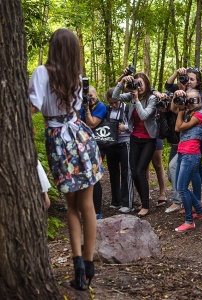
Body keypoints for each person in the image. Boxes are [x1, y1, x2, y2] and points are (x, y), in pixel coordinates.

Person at [29, 28, 103, 290]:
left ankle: (79, 267)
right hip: (82, 138)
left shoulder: (42, 72)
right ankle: (89, 265)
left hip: (60, 142)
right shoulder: (76, 77)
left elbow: (33, 105)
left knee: (73, 207)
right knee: (88, 206)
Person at [165, 67, 202, 210]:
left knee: (194, 169)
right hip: (186, 138)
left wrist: (184, 96)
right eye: (187, 78)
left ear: (198, 82)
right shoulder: (184, 93)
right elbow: (174, 108)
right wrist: (177, 94)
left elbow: (184, 116)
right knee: (197, 166)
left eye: (192, 79)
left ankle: (196, 201)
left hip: (198, 137)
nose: (189, 82)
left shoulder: (199, 96)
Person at [112, 72, 158, 217]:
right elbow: (114, 97)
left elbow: (144, 116)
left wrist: (136, 100)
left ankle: (145, 205)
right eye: (136, 84)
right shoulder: (131, 96)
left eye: (140, 83)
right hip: (135, 137)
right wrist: (121, 82)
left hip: (149, 139)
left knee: (140, 171)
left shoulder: (152, 98)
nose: (138, 87)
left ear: (146, 84)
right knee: (133, 171)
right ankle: (144, 199)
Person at [171, 89, 202, 232]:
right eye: (188, 99)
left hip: (191, 154)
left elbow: (178, 127)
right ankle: (199, 212)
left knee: (182, 188)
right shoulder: (190, 112)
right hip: (183, 152)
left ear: (201, 100)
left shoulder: (199, 115)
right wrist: (177, 98)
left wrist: (181, 109)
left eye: (194, 100)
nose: (190, 103)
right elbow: (172, 108)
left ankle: (189, 221)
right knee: (183, 187)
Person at [80, 85, 106, 219]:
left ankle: (97, 211)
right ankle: (85, 208)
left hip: (98, 145)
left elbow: (92, 123)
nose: (89, 98)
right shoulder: (81, 105)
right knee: (85, 176)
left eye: (91, 95)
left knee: (94, 177)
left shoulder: (101, 107)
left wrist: (86, 109)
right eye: (87, 95)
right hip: (83, 145)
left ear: (96, 94)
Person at [106, 88, 133, 213]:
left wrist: (125, 127)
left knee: (126, 172)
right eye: (111, 103)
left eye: (115, 102)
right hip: (111, 144)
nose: (113, 105)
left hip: (125, 143)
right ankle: (115, 201)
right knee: (113, 173)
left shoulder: (127, 108)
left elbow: (135, 125)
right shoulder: (107, 110)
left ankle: (127, 202)